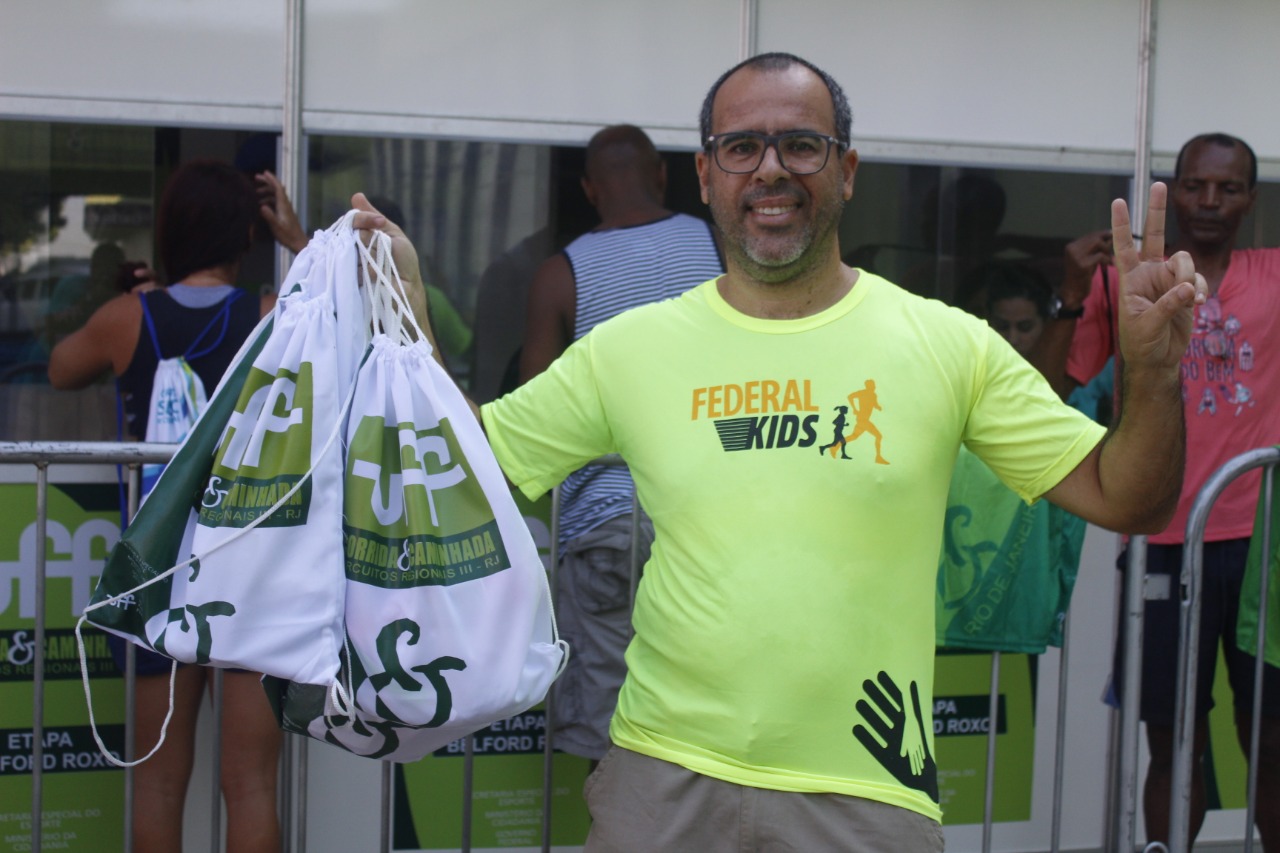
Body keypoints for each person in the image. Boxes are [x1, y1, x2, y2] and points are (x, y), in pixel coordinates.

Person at [352, 52, 1204, 851]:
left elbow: (1127, 498)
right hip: (662, 780)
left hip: (867, 786)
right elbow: (468, 467)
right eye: (741, 146)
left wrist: (1155, 368)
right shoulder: (633, 349)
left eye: (801, 145)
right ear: (704, 172)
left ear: (847, 170)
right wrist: (408, 318)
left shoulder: (949, 344)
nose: (770, 170)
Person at [48, 159, 306, 853]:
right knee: (251, 784)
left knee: (158, 784)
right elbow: (351, 321)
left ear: (169, 232)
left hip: (155, 565)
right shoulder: (269, 317)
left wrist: (118, 295)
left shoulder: (125, 319)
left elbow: (60, 366)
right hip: (245, 562)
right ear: (245, 235)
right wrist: (299, 240)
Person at [1063, 132, 1280, 850]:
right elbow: (1068, 390)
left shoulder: (1273, 275)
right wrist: (1073, 292)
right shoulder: (1122, 279)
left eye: (1228, 187)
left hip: (1259, 549)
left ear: (1253, 197)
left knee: (1271, 740)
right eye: (1194, 185)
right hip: (1160, 538)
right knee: (1171, 738)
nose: (1209, 201)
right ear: (1174, 188)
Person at [519, 123, 723, 763]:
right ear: (663, 175)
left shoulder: (562, 273)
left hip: (604, 523)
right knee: (708, 719)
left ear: (587, 189)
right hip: (708, 518)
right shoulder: (720, 245)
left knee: (609, 734)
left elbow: (534, 410)